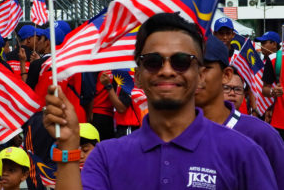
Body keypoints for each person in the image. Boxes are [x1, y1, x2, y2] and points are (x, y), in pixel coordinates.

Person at [43, 12, 277, 189]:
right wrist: (67, 147)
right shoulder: (106, 156)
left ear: (199, 74)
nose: (167, 70)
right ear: (140, 75)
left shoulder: (244, 153)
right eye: (154, 61)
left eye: (181, 61)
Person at [195, 35, 284, 189]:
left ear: (226, 75)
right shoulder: (165, 134)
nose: (193, 75)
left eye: (205, 67)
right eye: (182, 65)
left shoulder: (260, 135)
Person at [258, 31, 284, 140]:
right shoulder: (274, 59)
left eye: (264, 43)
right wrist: (273, 91)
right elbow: (265, 89)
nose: (262, 46)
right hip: (280, 122)